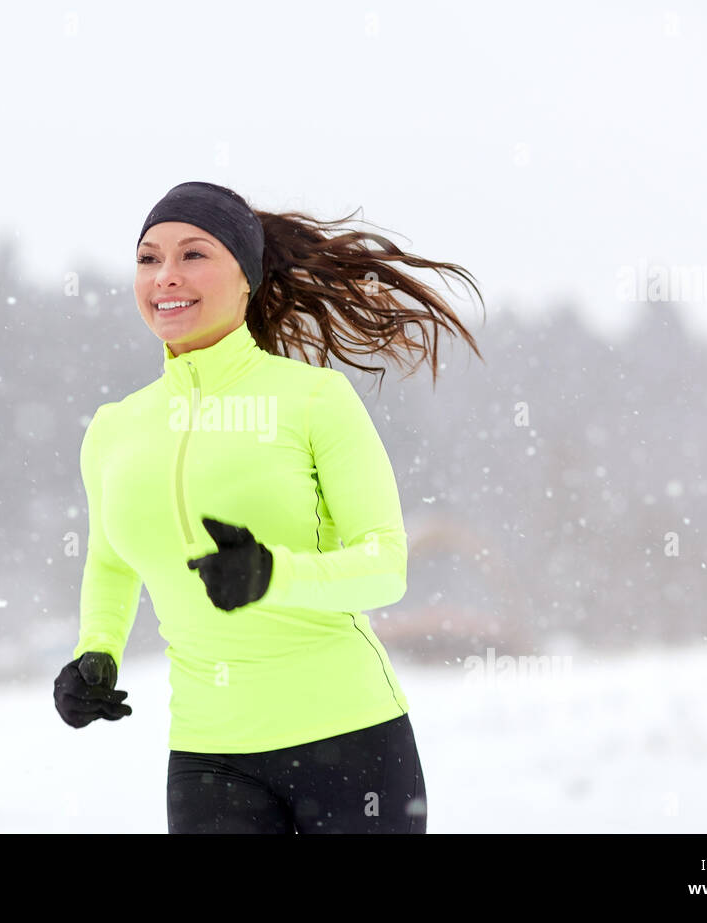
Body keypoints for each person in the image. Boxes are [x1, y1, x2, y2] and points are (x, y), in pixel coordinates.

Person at [53, 181, 483, 834]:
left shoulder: (314, 400)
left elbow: (384, 564)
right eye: (148, 258)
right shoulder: (115, 428)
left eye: (193, 254)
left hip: (350, 742)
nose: (166, 275)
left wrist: (272, 573)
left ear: (247, 277)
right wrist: (96, 652)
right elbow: (111, 563)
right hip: (208, 757)